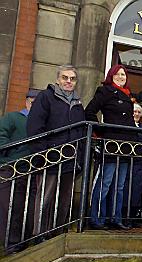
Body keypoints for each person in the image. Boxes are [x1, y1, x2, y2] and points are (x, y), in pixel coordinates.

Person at [85, 64, 142, 230]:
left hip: (126, 145)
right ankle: (97, 219)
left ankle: (115, 218)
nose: (121, 77)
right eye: (117, 74)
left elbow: (140, 97)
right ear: (111, 76)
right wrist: (101, 131)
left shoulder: (128, 94)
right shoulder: (105, 91)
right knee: (105, 183)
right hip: (111, 143)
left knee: (120, 186)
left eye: (123, 74)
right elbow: (90, 111)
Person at [27, 65, 86, 238]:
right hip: (50, 158)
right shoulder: (46, 97)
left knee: (64, 200)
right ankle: (39, 234)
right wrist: (42, 154)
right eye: (65, 78)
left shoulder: (78, 104)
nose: (68, 81)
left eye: (72, 79)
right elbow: (35, 127)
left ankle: (58, 233)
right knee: (45, 197)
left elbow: (81, 133)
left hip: (71, 160)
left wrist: (80, 159)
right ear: (58, 79)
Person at [0, 89, 38, 253]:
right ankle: (10, 243)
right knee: (9, 206)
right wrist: (8, 157)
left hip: (31, 169)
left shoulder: (40, 125)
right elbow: (2, 136)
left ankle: (23, 241)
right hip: (10, 167)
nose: (34, 106)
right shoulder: (13, 117)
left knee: (27, 206)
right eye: (32, 102)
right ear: (26, 101)